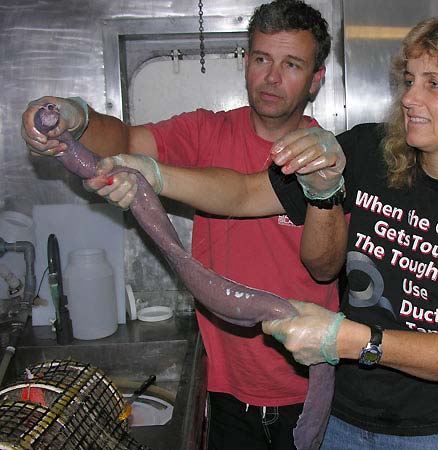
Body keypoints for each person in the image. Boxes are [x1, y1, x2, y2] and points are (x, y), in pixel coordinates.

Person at [20, 1, 338, 449]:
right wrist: (76, 117)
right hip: (227, 389)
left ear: (316, 79)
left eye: (291, 64)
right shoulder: (205, 132)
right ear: (246, 62)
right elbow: (126, 141)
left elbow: (325, 265)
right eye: (262, 59)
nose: (271, 77)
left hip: (309, 389)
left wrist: (156, 174)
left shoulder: (330, 160)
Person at [260, 15, 438, 450]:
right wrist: (151, 175)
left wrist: (360, 341)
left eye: (433, 84)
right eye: (409, 80)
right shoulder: (369, 151)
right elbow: (244, 193)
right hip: (343, 419)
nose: (409, 97)